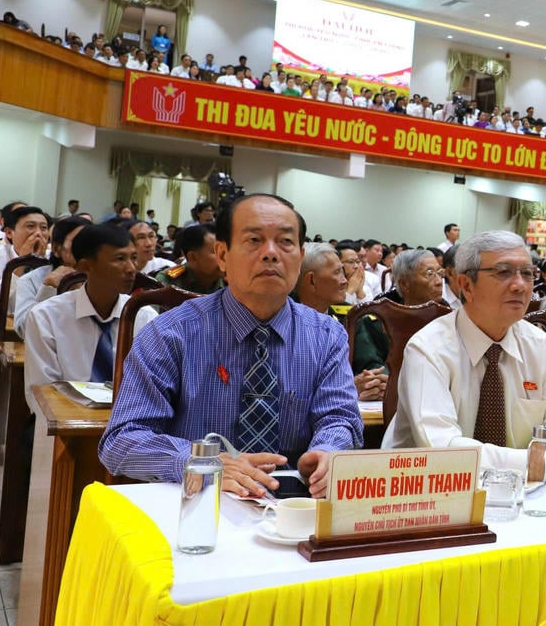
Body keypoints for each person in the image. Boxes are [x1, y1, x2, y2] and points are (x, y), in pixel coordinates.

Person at [99, 194, 363, 498]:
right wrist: (201, 462)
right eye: (254, 240)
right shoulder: (170, 333)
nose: (271, 254)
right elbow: (122, 440)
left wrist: (327, 451)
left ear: (301, 256)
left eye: (285, 242)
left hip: (292, 512)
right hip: (195, 507)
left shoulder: (327, 335)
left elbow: (340, 419)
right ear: (222, 255)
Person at [385, 231, 546, 483]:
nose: (520, 285)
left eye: (527, 273)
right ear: (466, 285)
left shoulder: (541, 346)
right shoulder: (429, 348)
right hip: (427, 492)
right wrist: (537, 462)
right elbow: (440, 448)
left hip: (520, 495)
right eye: (503, 272)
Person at [23, 225, 157, 410]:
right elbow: (41, 392)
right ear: (85, 266)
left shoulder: (144, 317)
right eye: (119, 259)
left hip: (128, 423)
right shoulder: (46, 317)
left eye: (133, 258)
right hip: (62, 425)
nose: (131, 268)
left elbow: (152, 387)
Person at [351, 249, 445, 399]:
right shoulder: (375, 321)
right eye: (429, 274)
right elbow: (375, 371)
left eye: (440, 273)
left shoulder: (449, 319)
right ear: (404, 284)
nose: (439, 281)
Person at [14, 215, 89, 337]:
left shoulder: (104, 279)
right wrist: (48, 288)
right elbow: (24, 329)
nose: (87, 249)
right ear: (56, 248)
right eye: (78, 242)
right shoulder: (31, 280)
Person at [0, 205, 49, 314]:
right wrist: (21, 263)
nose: (38, 233)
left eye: (44, 228)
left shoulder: (53, 258)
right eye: (30, 226)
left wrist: (41, 264)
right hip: (2, 325)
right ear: (9, 233)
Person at [155, 225, 225, 294]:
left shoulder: (232, 280)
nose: (226, 257)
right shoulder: (169, 280)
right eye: (217, 252)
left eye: (227, 251)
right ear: (192, 257)